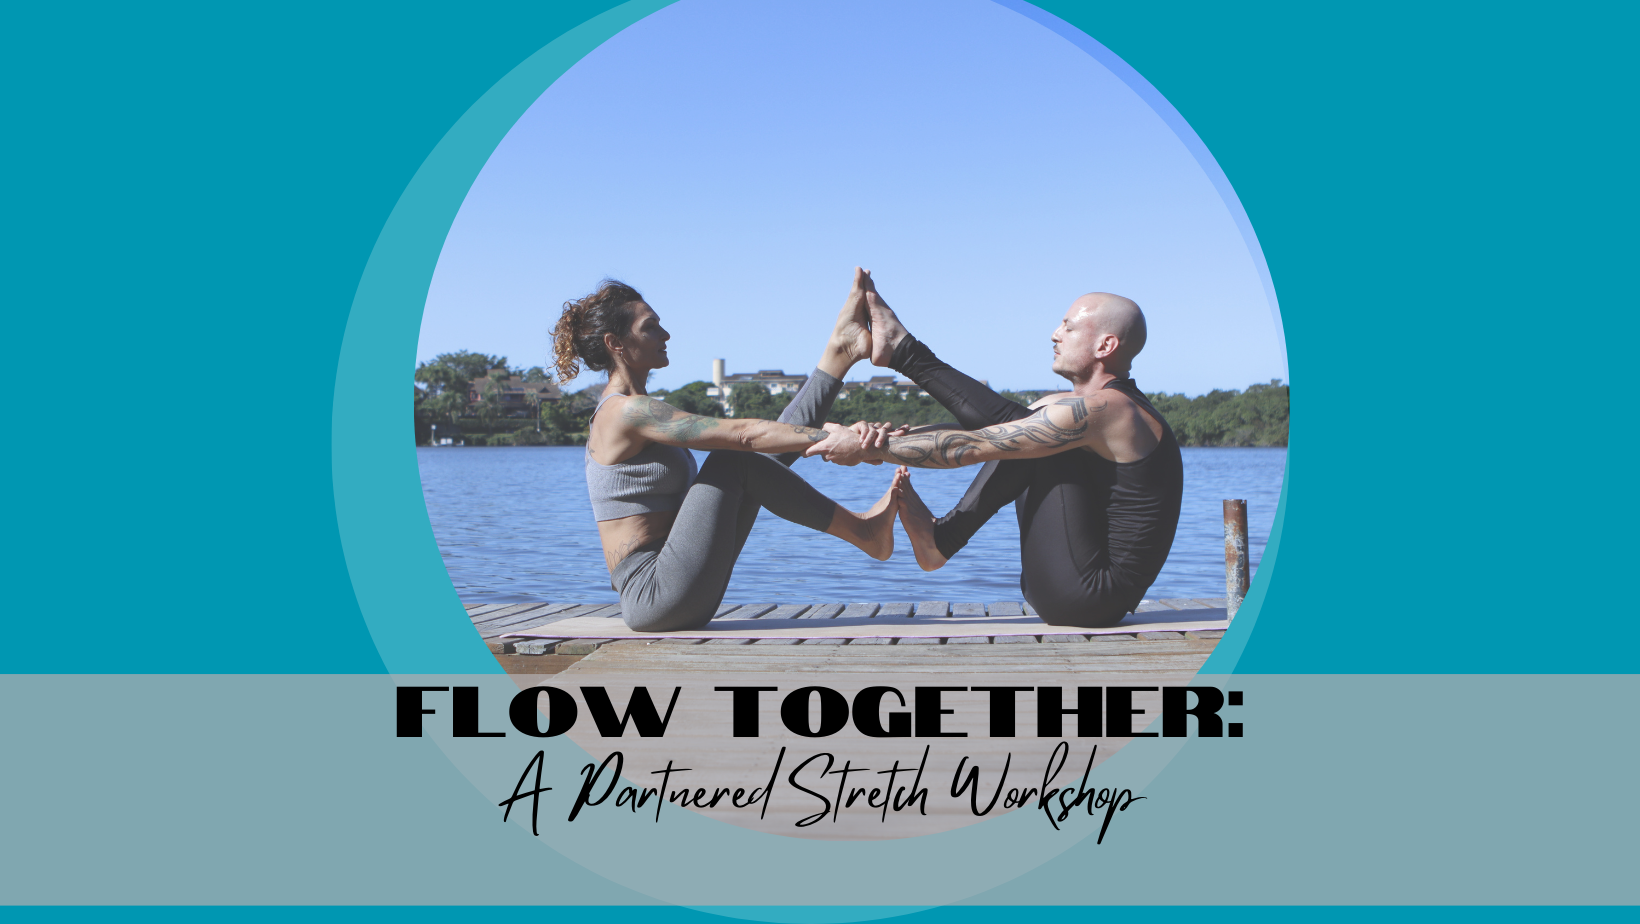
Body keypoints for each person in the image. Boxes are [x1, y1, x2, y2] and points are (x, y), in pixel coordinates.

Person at [808, 276, 1183, 629]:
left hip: (1090, 597)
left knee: (1039, 443)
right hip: (1067, 587)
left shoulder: (1114, 410)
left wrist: (871, 450)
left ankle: (905, 354)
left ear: (1105, 346)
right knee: (1028, 430)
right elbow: (989, 432)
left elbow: (978, 448)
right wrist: (879, 437)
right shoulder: (1078, 408)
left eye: (1068, 327)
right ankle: (903, 352)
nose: (1055, 335)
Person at [554, 271, 899, 632]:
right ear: (616, 343)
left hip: (675, 586)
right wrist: (834, 438)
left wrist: (838, 438)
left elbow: (759, 447)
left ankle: (839, 354)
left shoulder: (637, 408)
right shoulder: (625, 411)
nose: (665, 335)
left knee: (750, 464)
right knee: (733, 459)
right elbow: (743, 435)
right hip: (654, 595)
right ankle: (863, 533)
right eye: (650, 327)